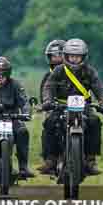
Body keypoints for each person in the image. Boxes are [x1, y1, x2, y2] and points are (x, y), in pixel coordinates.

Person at [42, 37, 103, 175]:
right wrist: (48, 100)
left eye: (77, 57)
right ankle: (51, 159)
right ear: (66, 56)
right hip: (61, 106)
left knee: (95, 121)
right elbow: (48, 86)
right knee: (49, 122)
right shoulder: (59, 71)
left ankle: (91, 160)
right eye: (71, 56)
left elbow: (99, 88)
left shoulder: (90, 71)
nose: (74, 59)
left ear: (83, 57)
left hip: (84, 106)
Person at [37, 39, 65, 174]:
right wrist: (47, 104)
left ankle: (89, 158)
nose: (57, 59)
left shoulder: (78, 73)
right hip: (56, 109)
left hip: (77, 108)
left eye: (59, 55)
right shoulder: (48, 76)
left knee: (91, 122)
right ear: (49, 58)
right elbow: (44, 93)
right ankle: (50, 159)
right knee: (49, 123)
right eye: (53, 56)